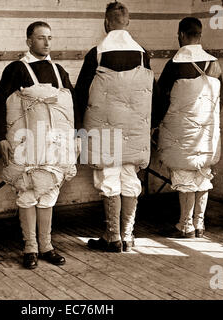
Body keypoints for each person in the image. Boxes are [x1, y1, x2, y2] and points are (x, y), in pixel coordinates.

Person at [0, 21, 80, 269]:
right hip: (25, 143)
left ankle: (47, 246)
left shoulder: (59, 70)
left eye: (49, 37)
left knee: (49, 193)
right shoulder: (16, 69)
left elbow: (70, 107)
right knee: (28, 192)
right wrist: (1, 138)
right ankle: (30, 247)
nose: (47, 42)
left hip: (54, 144)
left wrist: (76, 136)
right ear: (29, 41)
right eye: (41, 38)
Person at [75, 2, 158, 253]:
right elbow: (150, 93)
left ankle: (112, 236)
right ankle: (128, 236)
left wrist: (78, 127)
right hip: (135, 130)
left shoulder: (97, 53)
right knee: (130, 178)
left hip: (104, 130)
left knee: (108, 178)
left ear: (106, 23)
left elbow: (80, 93)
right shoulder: (143, 54)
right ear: (128, 22)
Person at [154, 17, 223, 238]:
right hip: (207, 132)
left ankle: (185, 226)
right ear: (200, 35)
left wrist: (155, 125)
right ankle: (199, 224)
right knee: (203, 175)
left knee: (184, 176)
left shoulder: (175, 65)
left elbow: (160, 100)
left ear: (181, 35)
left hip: (181, 132)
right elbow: (222, 98)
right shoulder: (214, 63)